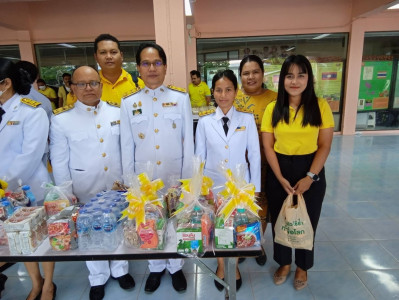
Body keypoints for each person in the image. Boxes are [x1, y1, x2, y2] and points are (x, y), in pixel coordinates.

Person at [49, 66, 135, 300]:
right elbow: (58, 160)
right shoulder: (61, 119)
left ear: (101, 85)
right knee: (88, 232)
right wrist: (65, 191)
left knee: (118, 225)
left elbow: (127, 149)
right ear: (72, 87)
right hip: (84, 185)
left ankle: (120, 270)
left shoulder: (117, 112)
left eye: (94, 83)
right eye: (82, 84)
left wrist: (130, 180)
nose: (89, 88)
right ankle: (97, 277)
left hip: (117, 185)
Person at [120, 42, 193, 293]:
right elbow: (126, 144)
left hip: (174, 176)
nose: (152, 68)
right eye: (146, 63)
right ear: (138, 68)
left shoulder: (180, 98)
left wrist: (188, 181)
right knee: (149, 223)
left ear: (165, 66)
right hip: (144, 179)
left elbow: (189, 143)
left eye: (157, 63)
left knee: (174, 222)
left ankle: (175, 267)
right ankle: (155, 267)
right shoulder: (129, 102)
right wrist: (130, 182)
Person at [261, 54, 334, 290]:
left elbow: (324, 145)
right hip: (278, 170)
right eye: (289, 76)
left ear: (308, 79)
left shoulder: (320, 106)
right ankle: (283, 262)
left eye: (300, 75)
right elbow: (268, 146)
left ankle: (302, 266)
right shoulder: (273, 108)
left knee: (308, 220)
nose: (295, 81)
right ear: (282, 79)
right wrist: (279, 177)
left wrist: (310, 177)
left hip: (310, 169)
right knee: (280, 220)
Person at [195, 69, 260, 292]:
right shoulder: (204, 122)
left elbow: (254, 155)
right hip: (213, 186)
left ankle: (234, 263)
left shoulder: (247, 119)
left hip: (240, 187)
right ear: (213, 92)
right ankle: (222, 265)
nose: (223, 95)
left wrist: (255, 188)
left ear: (236, 92)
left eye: (228, 89)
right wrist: (198, 189)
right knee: (217, 227)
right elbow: (199, 157)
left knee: (237, 227)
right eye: (219, 90)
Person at [0, 58, 55, 300]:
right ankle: (35, 281)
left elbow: (30, 155)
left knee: (41, 237)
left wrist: (4, 183)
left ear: (6, 82)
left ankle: (49, 285)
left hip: (28, 186)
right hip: (4, 193)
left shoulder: (31, 110)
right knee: (18, 239)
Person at [234, 54, 277, 266]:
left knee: (262, 204)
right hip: (240, 163)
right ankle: (242, 243)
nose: (251, 77)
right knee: (241, 204)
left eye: (255, 72)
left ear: (262, 73)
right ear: (240, 76)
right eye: (246, 73)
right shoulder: (233, 99)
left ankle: (257, 243)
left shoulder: (276, 98)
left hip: (268, 161)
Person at [94, 33, 144, 106]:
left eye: (113, 52)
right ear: (96, 57)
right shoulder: (89, 86)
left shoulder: (138, 84)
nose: (108, 56)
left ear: (121, 56)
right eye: (103, 52)